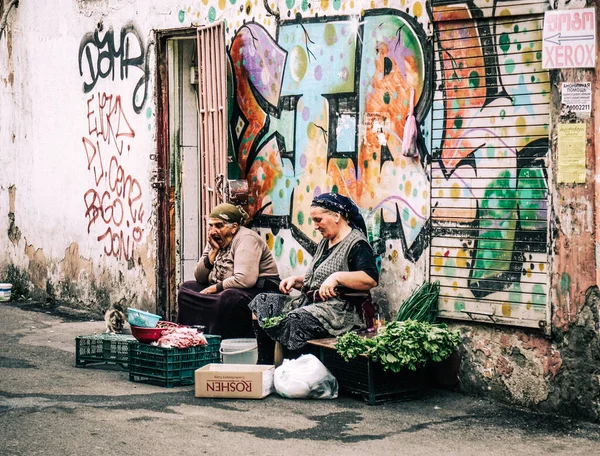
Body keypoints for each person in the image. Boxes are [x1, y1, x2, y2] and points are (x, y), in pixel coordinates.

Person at [249, 192, 379, 364]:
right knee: (262, 302)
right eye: (314, 221)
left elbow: (370, 279)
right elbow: (320, 278)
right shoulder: (326, 241)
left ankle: (296, 374)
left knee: (295, 320)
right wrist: (296, 280)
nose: (316, 226)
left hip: (340, 312)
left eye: (318, 220)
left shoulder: (357, 244)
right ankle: (264, 366)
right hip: (311, 304)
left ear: (337, 216)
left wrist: (337, 278)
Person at [177, 203, 280, 339]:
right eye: (211, 226)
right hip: (226, 290)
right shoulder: (214, 240)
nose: (213, 231)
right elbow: (200, 277)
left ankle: (216, 341)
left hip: (258, 291)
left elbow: (245, 279)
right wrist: (212, 253)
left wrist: (215, 288)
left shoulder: (247, 239)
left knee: (228, 298)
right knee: (186, 289)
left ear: (234, 227)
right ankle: (190, 339)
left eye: (219, 226)